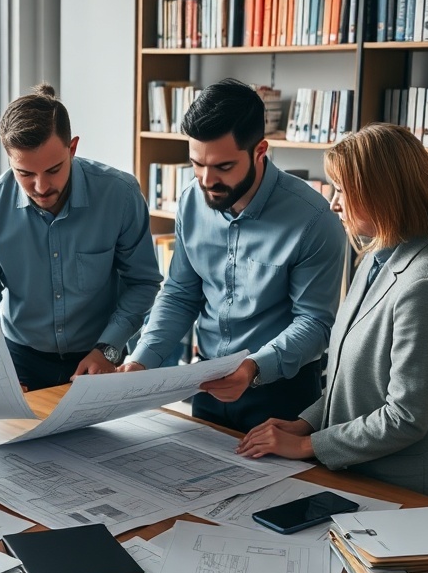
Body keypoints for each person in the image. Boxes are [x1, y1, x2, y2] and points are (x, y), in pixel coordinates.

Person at [237, 123, 428, 509]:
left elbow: (405, 418)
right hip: (360, 471)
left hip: (411, 493)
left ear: (383, 193)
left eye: (343, 190)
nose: (334, 203)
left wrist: (306, 445)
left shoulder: (426, 285)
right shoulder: (378, 256)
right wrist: (306, 423)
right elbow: (351, 380)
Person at [121, 78, 347, 433]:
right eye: (197, 164)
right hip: (206, 384)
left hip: (281, 393)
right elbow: (180, 294)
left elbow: (315, 324)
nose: (206, 180)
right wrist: (142, 360)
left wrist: (253, 368)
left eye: (223, 167)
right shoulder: (191, 201)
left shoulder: (314, 220)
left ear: (260, 151)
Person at [0, 83, 162, 390]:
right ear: (9, 160)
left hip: (101, 355)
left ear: (72, 148)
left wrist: (108, 349)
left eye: (53, 170)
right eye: (25, 173)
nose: (41, 187)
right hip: (19, 360)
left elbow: (143, 282)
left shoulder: (120, 194)